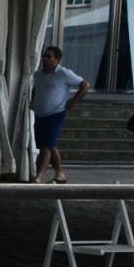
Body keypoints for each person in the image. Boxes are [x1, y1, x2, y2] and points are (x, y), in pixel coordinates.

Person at [31, 46, 88, 184]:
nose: (45, 59)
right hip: (39, 113)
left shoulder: (64, 73)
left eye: (49, 56)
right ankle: (60, 173)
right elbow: (36, 89)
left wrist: (74, 101)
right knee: (49, 144)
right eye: (44, 56)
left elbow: (85, 85)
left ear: (57, 59)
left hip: (55, 113)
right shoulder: (38, 74)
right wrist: (32, 102)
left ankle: (38, 177)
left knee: (46, 146)